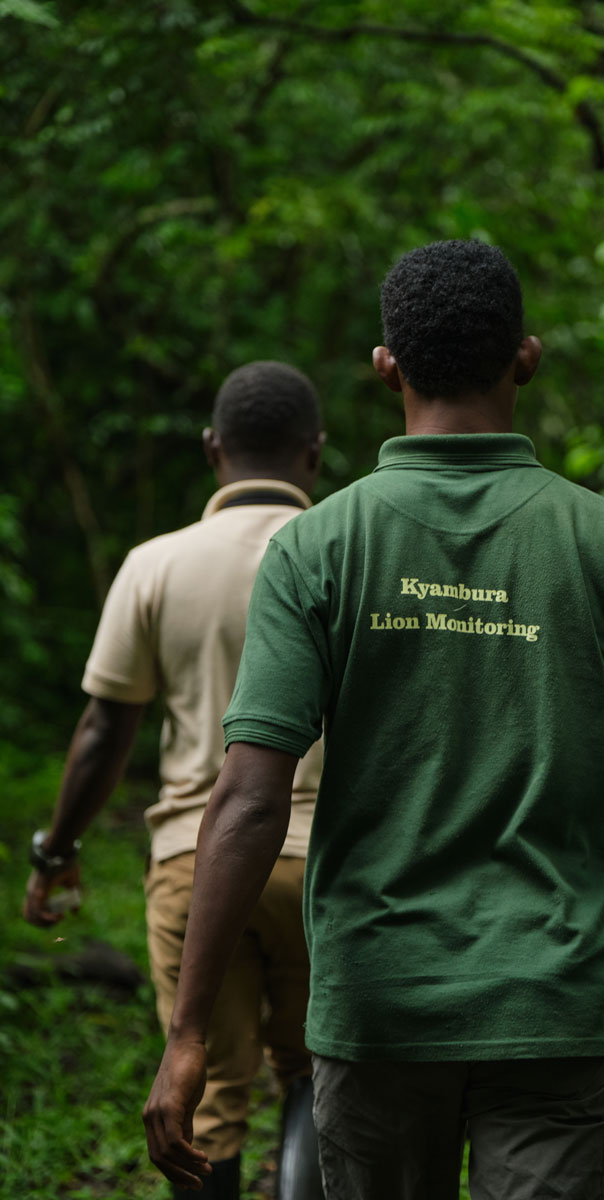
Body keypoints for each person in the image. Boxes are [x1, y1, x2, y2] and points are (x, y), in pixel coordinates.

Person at [143, 241, 604, 1200]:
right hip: (556, 1004)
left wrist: (190, 1034)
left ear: (387, 368)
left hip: (380, 1010)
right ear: (527, 359)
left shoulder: (316, 549)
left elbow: (250, 799)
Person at [24, 361, 327, 1200]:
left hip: (196, 869)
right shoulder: (346, 554)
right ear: (315, 453)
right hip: (326, 866)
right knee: (316, 1077)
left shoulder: (155, 564)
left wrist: (56, 853)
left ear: (211, 449)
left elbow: (102, 733)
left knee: (210, 1095)